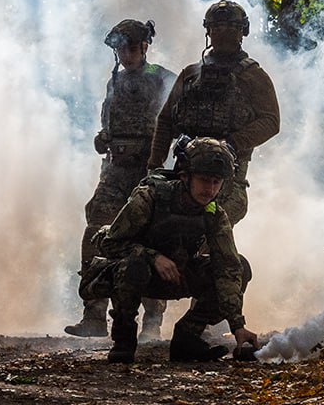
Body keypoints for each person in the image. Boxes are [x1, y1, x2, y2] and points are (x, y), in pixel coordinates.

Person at [85, 137, 257, 363]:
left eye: (216, 182)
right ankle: (124, 340)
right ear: (185, 177)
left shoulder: (213, 213)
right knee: (134, 267)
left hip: (178, 274)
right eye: (204, 180)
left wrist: (238, 326)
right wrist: (152, 257)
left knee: (239, 267)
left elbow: (228, 267)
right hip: (134, 275)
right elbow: (109, 243)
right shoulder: (149, 197)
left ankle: (186, 338)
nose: (210, 189)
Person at [65, 19, 176, 340]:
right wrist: (104, 138)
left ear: (144, 46)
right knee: (97, 232)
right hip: (114, 171)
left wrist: (157, 159)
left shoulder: (163, 79)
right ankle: (95, 314)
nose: (124, 54)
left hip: (148, 172)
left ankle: (152, 322)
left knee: (153, 238)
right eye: (119, 48)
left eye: (129, 47)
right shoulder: (114, 82)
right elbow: (110, 123)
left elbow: (174, 124)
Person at [147, 0, 280, 224]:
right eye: (217, 27)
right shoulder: (191, 74)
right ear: (208, 30)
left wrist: (231, 143)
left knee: (210, 232)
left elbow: (271, 121)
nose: (223, 32)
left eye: (231, 27)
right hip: (185, 174)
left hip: (226, 179)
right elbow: (166, 120)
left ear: (243, 31)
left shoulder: (253, 76)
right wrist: (154, 166)